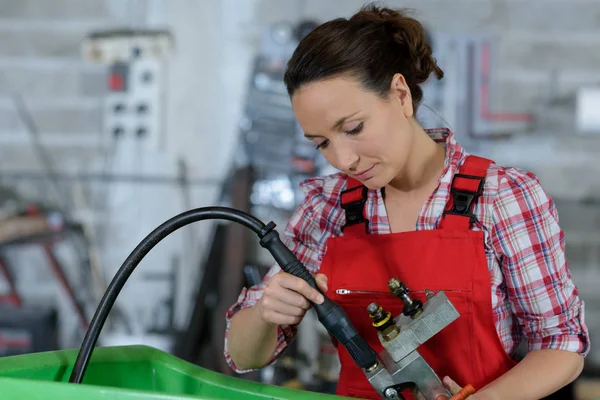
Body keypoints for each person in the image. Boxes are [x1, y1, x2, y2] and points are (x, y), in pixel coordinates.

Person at [224, 4, 589, 399]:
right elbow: (241, 356)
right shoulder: (325, 210)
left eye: (353, 128)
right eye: (322, 143)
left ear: (400, 95)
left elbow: (560, 344)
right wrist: (265, 313)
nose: (344, 160)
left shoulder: (502, 199)